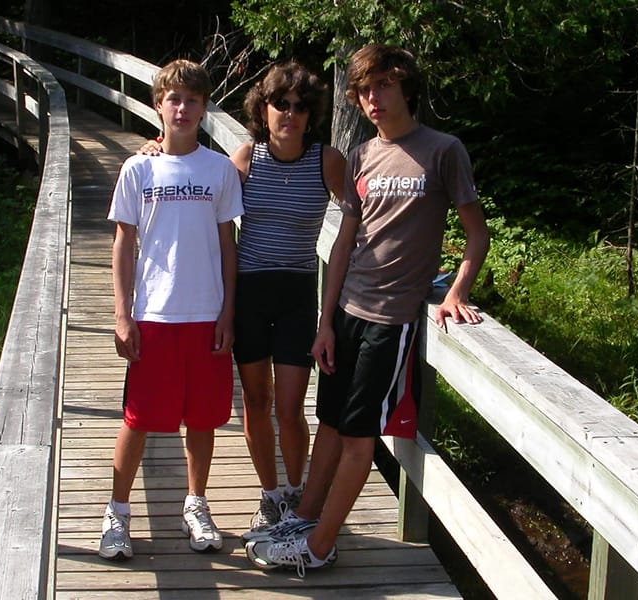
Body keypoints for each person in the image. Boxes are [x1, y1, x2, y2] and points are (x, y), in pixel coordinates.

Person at [244, 44, 490, 575]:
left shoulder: (443, 150)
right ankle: (305, 519)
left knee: (359, 435)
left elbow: (477, 234)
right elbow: (344, 242)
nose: (371, 99)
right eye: (362, 91)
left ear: (405, 87)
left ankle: (319, 547)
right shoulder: (361, 156)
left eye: (382, 86)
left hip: (393, 318)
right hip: (349, 309)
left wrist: (457, 292)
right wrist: (325, 321)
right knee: (330, 421)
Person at [141, 61, 346, 535]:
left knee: (291, 406)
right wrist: (155, 149)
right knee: (256, 400)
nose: (290, 114)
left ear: (310, 113)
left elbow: (359, 216)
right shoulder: (246, 159)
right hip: (250, 291)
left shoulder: (326, 160)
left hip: (297, 293)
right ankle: (270, 494)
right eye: (280, 104)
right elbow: (197, 178)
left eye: (299, 106)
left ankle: (296, 493)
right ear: (264, 109)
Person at [99, 58, 244, 561]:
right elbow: (122, 243)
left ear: (204, 109)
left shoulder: (219, 168)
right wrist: (122, 313)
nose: (183, 109)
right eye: (174, 99)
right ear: (159, 104)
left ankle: (196, 504)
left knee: (202, 419)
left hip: (205, 314)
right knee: (137, 418)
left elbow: (228, 243)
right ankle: (117, 513)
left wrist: (228, 311)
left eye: (193, 100)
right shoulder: (139, 167)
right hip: (154, 315)